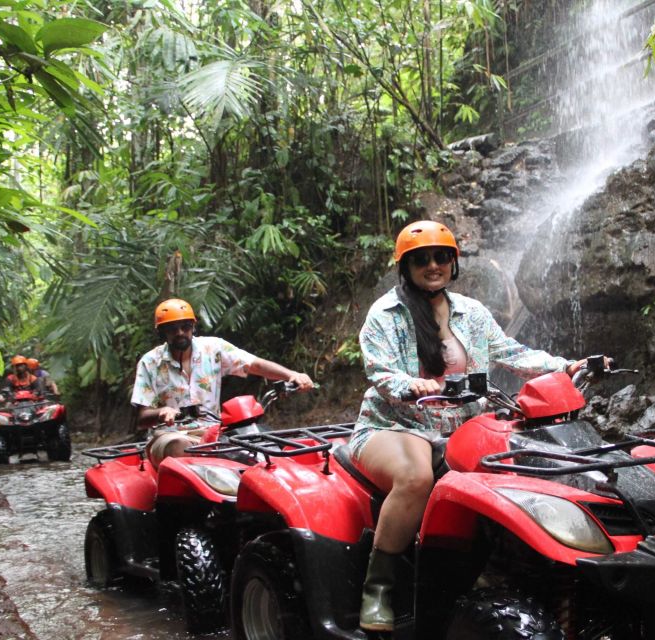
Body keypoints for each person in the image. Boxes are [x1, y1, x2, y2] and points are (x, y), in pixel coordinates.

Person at [349, 220, 587, 632]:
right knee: (415, 476)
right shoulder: (384, 314)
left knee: (526, 467)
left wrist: (564, 366)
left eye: (441, 256)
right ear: (404, 266)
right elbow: (380, 372)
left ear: (453, 263)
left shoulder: (472, 312)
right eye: (420, 259)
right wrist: (411, 385)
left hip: (462, 426)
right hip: (396, 424)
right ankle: (379, 589)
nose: (432, 265)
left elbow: (511, 351)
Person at [132, 297, 315, 468]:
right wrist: (162, 412)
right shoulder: (150, 362)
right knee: (180, 446)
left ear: (193, 326)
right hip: (169, 435)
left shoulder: (213, 348)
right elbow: (141, 419)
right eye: (172, 328)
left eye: (185, 326)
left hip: (214, 432)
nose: (180, 332)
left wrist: (291, 375)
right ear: (162, 332)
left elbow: (253, 364)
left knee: (259, 445)